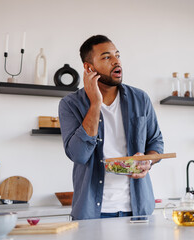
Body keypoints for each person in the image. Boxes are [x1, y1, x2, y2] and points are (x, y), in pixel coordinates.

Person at [58, 35, 164, 220]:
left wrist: (148, 161)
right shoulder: (70, 104)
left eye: (117, 55)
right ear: (89, 67)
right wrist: (95, 104)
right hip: (92, 214)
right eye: (107, 57)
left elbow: (155, 142)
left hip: (139, 211)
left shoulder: (140, 99)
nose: (117, 61)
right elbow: (79, 155)